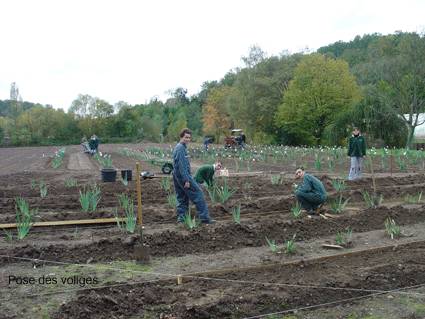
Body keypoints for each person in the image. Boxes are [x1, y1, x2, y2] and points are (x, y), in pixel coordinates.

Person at [172, 128, 215, 224]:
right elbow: (182, 166)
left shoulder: (180, 147)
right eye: (186, 137)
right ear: (181, 137)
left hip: (177, 176)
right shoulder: (180, 149)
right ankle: (204, 218)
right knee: (198, 194)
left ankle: (182, 219)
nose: (187, 139)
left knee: (182, 197)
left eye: (189, 138)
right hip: (183, 177)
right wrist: (186, 180)